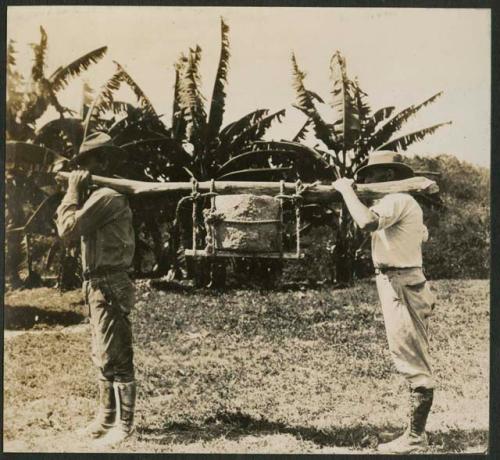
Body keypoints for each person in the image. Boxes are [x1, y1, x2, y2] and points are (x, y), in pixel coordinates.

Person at [332, 151, 436, 454]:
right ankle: (413, 431)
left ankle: (416, 438)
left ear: (388, 177)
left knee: (412, 357)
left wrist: (345, 189)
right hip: (398, 281)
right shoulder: (403, 204)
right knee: (406, 352)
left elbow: (365, 222)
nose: (366, 182)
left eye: (372, 176)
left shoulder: (397, 200)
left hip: (401, 283)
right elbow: (420, 235)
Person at [56, 132, 136, 445]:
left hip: (109, 282)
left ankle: (124, 425)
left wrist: (71, 192)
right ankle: (106, 418)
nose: (83, 170)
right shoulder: (99, 197)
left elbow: (67, 230)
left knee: (116, 354)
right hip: (98, 282)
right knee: (102, 353)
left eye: (88, 163)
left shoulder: (107, 198)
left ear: (102, 163)